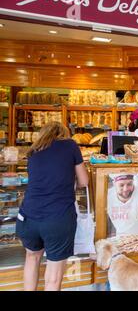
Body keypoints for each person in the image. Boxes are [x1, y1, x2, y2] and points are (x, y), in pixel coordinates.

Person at [15, 122, 89, 291]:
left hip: (27, 218)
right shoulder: (70, 146)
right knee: (53, 278)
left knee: (31, 259)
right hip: (57, 219)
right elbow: (84, 181)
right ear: (64, 134)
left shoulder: (33, 151)